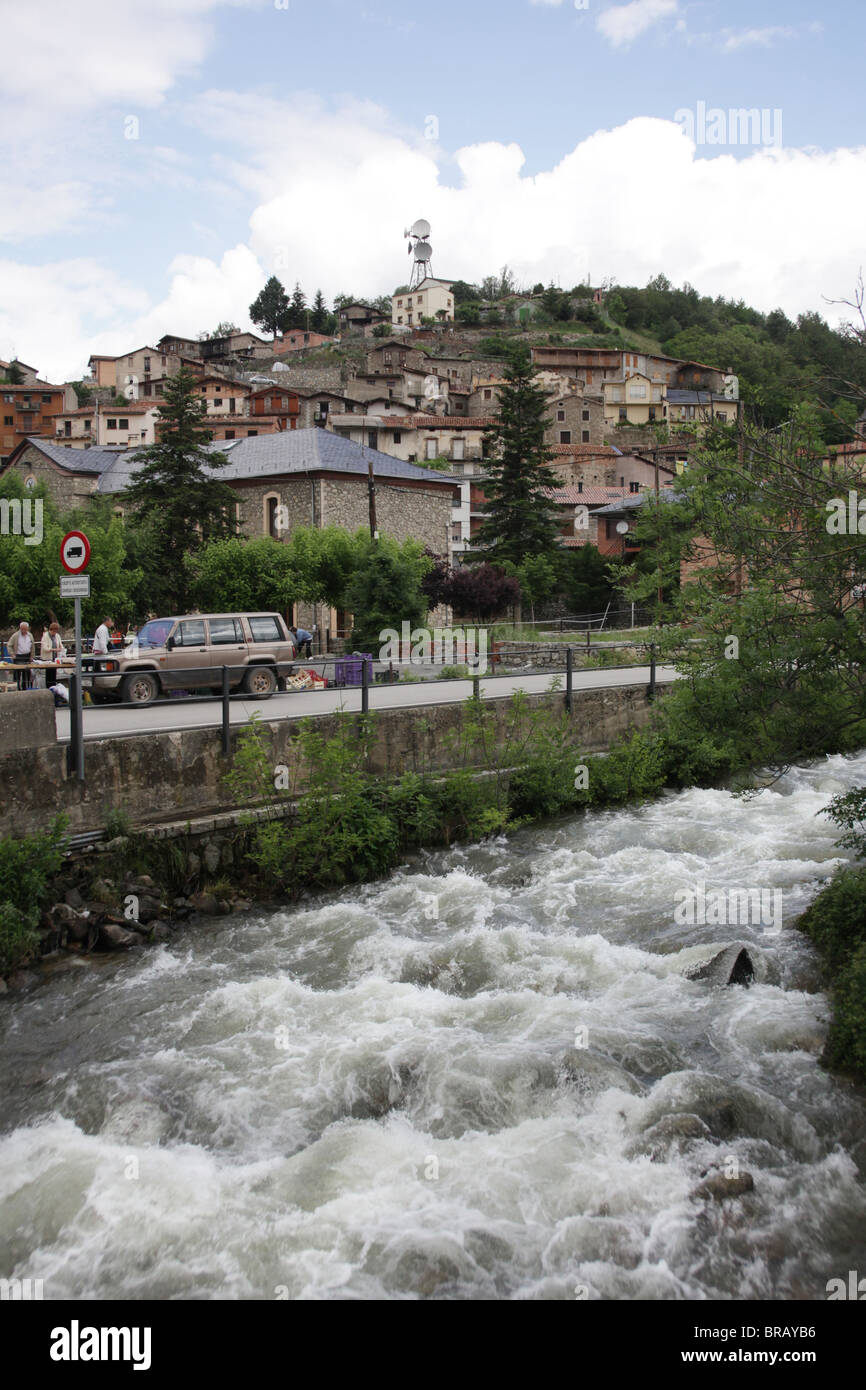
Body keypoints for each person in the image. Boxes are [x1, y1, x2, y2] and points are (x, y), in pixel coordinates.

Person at [40, 621, 67, 689]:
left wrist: (62, 649)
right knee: (49, 673)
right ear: (51, 630)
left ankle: (54, 688)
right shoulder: (45, 636)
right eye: (54, 631)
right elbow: (45, 648)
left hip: (55, 658)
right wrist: (53, 649)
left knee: (54, 673)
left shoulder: (57, 636)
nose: (55, 633)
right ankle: (48, 688)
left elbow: (60, 644)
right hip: (47, 658)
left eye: (56, 631)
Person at [8, 620, 33, 689]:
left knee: (27, 674)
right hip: (18, 656)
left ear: (27, 629)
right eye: (22, 629)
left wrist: (32, 656)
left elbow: (32, 646)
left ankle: (25, 688)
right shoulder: (15, 635)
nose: (23, 631)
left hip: (27, 656)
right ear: (20, 628)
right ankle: (17, 688)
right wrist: (12, 654)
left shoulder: (30, 635)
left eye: (25, 629)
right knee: (17, 674)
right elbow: (9, 645)